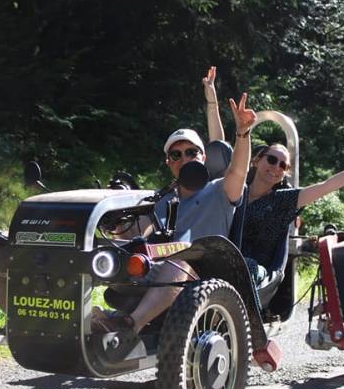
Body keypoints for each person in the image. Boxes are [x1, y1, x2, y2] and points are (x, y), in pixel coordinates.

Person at [92, 83, 257, 335]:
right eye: (176, 155)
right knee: (108, 256)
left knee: (180, 261)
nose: (184, 159)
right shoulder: (161, 198)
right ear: (169, 162)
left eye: (191, 152)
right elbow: (133, 234)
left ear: (203, 157)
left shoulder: (220, 189)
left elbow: (238, 170)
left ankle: (129, 325)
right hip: (163, 268)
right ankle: (76, 321)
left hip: (205, 272)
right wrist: (113, 226)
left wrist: (243, 134)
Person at [203, 67, 344, 286]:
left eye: (283, 165)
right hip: (222, 264)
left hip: (255, 271)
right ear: (256, 160)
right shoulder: (236, 190)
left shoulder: (284, 201)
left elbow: (329, 185)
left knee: (244, 267)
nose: (276, 167)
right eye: (272, 159)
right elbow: (218, 147)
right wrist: (212, 101)